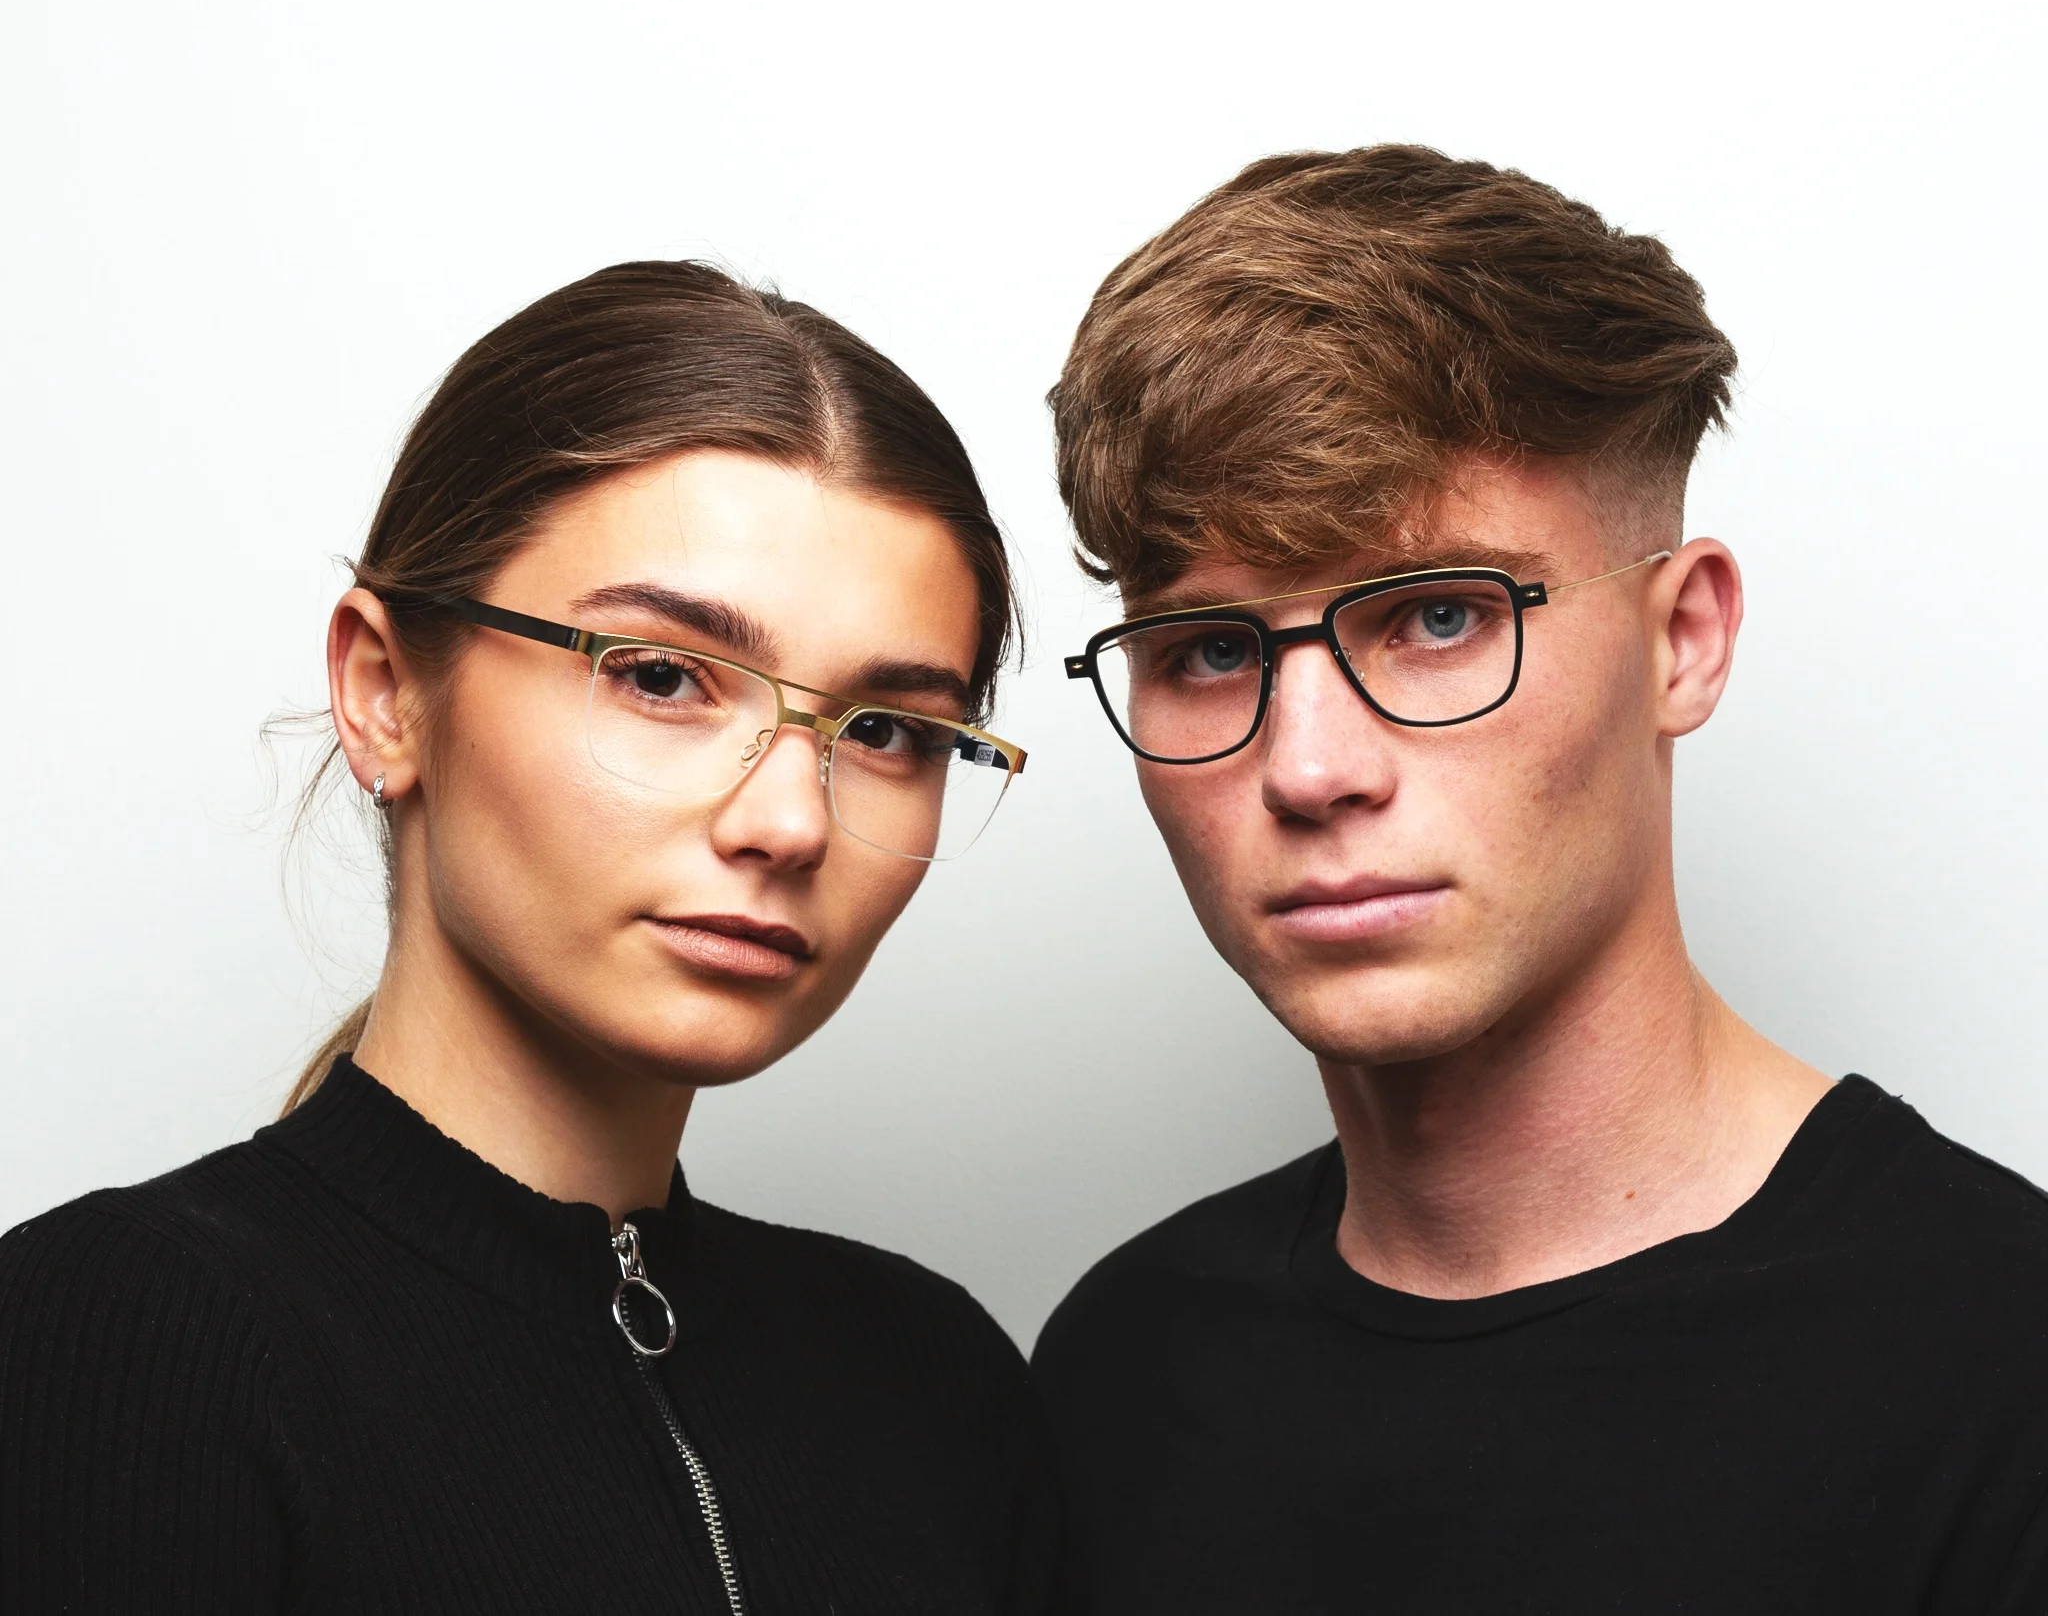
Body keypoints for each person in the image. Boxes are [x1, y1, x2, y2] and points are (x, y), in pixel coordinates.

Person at [1032, 145, 2048, 1612]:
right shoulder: (1121, 1367)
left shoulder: (2004, 1363)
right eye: (1210, 649)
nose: (1310, 767)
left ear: (1682, 640)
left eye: (1439, 616)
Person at [0, 261, 1055, 1613]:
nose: (792, 820)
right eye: (661, 676)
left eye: (891, 730)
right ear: (385, 691)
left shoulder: (936, 1381)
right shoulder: (115, 1339)